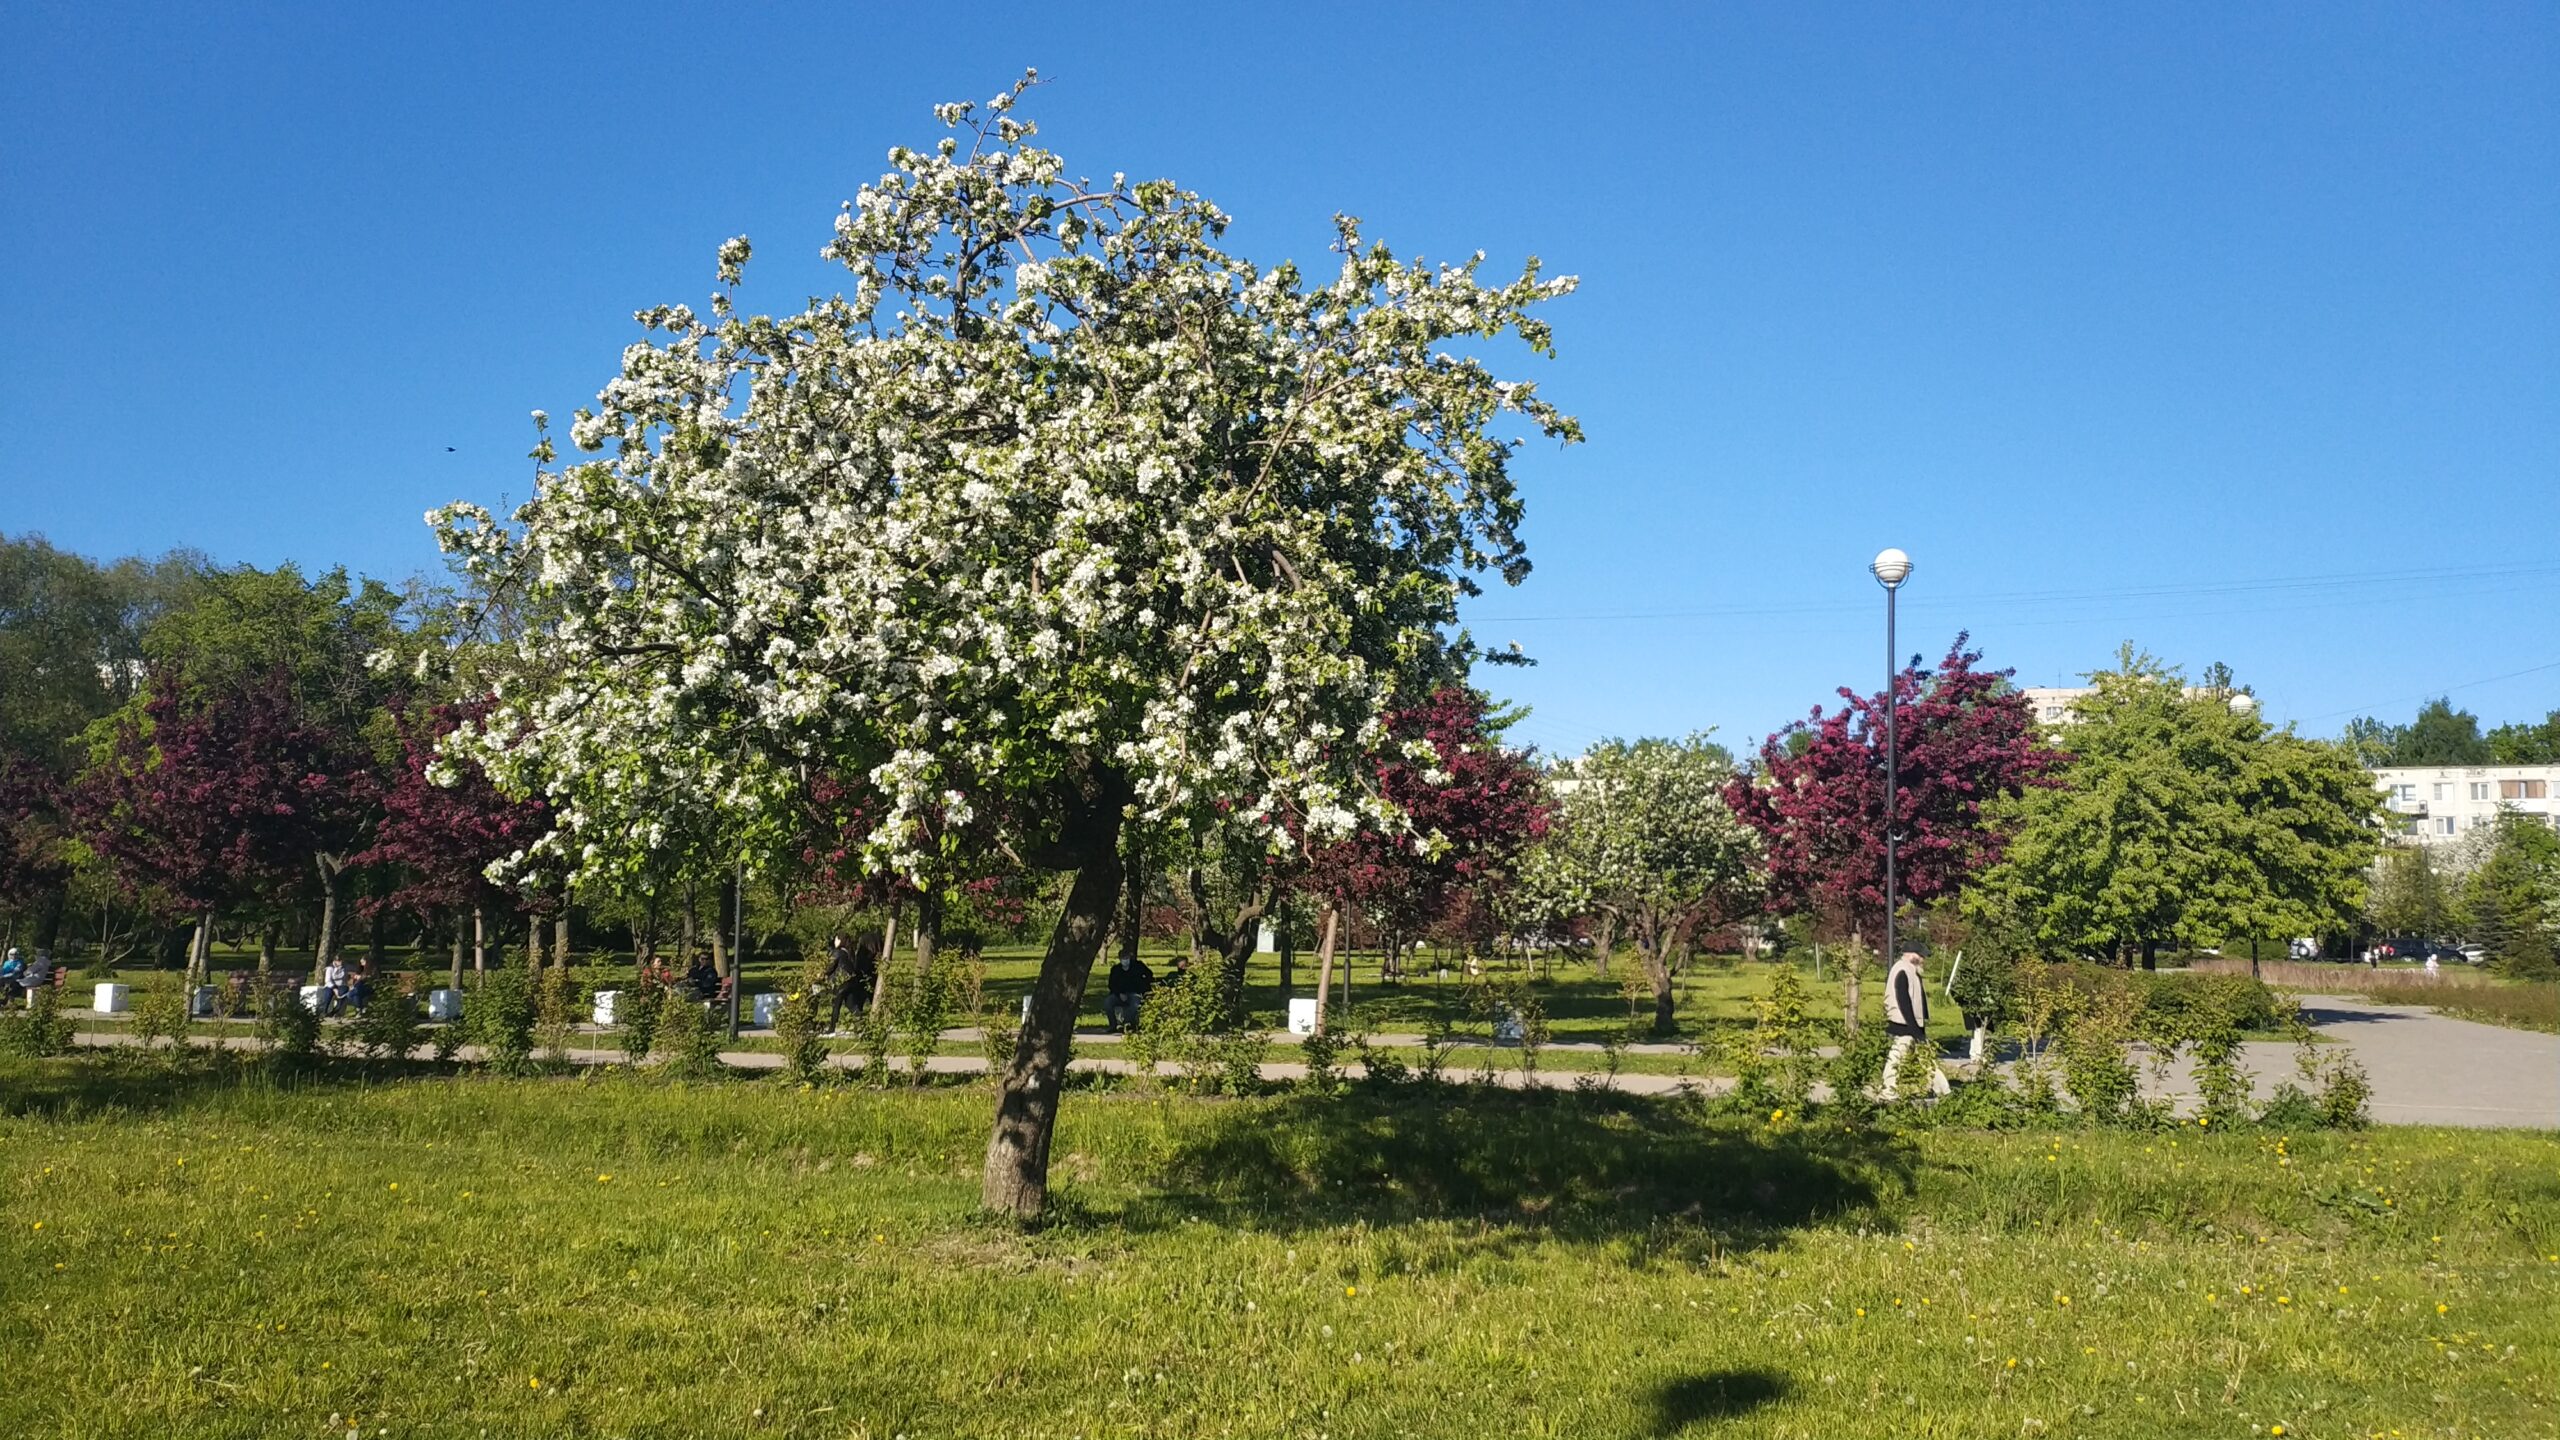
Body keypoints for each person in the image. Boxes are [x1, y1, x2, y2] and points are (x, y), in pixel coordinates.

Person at [1878, 949, 1951, 1100]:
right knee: (1897, 1058)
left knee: (1924, 1057)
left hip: (1910, 1024)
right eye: (1921, 956)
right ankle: (1888, 1093)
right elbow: (1903, 1000)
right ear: (1911, 955)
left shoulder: (1910, 970)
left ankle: (1943, 1089)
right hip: (1903, 1024)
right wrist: (1913, 1027)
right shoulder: (1902, 970)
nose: (1923, 959)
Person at [1104, 950, 1155, 1033]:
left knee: (1135, 1005)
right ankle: (1113, 1025)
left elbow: (1149, 974)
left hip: (1135, 993)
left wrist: (1143, 987)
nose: (1125, 960)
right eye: (1123, 958)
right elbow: (1111, 984)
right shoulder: (1116, 970)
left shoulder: (1137, 966)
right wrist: (1119, 993)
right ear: (1120, 959)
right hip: (1119, 994)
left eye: (1127, 958)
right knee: (1108, 1002)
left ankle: (1127, 1024)